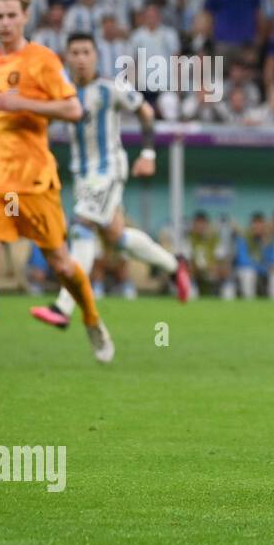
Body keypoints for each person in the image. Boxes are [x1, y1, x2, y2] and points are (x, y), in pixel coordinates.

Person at [0, 0, 113, 370]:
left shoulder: (44, 60)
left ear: (25, 17)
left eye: (12, 15)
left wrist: (21, 102)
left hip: (33, 181)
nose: (5, 23)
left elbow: (73, 110)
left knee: (62, 265)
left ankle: (92, 319)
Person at [29, 34, 190, 329]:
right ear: (67, 58)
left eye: (86, 52)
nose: (80, 58)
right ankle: (174, 265)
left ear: (96, 55)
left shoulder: (111, 87)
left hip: (108, 171)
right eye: (74, 52)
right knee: (117, 238)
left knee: (81, 228)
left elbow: (146, 111)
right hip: (82, 174)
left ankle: (63, 307)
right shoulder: (63, 94)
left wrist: (148, 153)